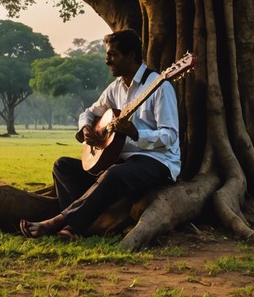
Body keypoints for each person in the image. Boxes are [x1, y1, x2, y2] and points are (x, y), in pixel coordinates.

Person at [20, 29, 180, 240]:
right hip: (121, 161)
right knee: (63, 166)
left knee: (113, 173)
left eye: (113, 55)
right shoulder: (115, 88)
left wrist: (135, 133)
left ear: (131, 56)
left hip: (157, 162)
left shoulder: (160, 86)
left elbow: (169, 137)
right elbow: (90, 112)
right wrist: (87, 128)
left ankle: (60, 223)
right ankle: (81, 224)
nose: (107, 60)